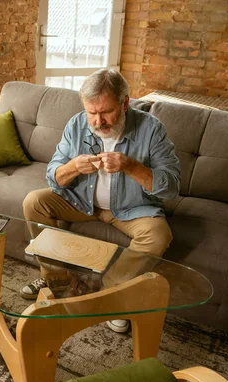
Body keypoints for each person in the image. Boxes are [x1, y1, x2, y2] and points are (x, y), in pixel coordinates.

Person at [22, 69, 181, 333]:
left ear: (125, 103)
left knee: (158, 235)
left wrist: (130, 166)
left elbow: (172, 187)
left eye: (106, 112)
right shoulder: (76, 124)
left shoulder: (152, 130)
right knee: (33, 202)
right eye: (91, 113)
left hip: (130, 209)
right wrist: (72, 167)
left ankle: (109, 295)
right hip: (80, 202)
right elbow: (53, 176)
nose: (98, 121)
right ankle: (56, 281)